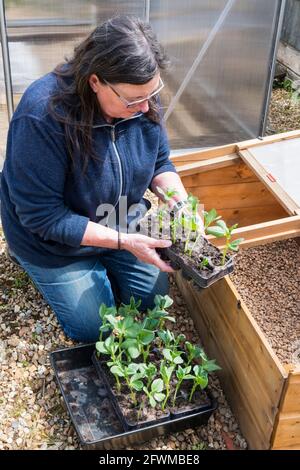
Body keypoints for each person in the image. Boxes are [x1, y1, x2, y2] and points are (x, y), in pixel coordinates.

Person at [1, 15, 191, 342]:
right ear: (95, 82)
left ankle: (105, 265)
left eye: (151, 94)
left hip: (119, 221)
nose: (146, 107)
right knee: (95, 328)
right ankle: (29, 260)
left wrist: (181, 203)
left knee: (153, 300)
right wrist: (125, 242)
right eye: (133, 100)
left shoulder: (140, 94)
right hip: (55, 244)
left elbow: (160, 162)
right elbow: (42, 216)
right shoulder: (42, 116)